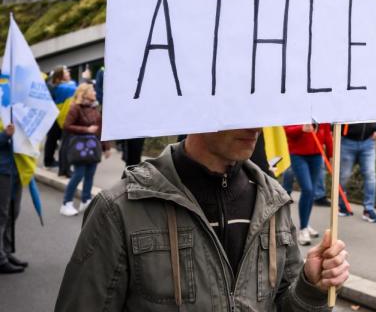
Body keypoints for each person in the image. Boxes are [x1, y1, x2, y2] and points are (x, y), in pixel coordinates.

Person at [56, 129, 350, 311]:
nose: (255, 126)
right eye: (238, 108)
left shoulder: (274, 203)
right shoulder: (119, 209)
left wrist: (311, 285)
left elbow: (285, 305)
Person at [59, 83, 110, 216]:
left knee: (90, 174)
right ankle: (66, 203)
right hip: (80, 147)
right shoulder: (75, 107)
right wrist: (86, 130)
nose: (94, 92)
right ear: (85, 93)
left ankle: (85, 201)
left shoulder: (94, 107)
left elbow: (100, 129)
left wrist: (106, 147)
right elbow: (66, 125)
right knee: (78, 174)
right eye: (92, 90)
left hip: (93, 146)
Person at [285, 123, 333, 245]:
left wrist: (331, 155)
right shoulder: (298, 109)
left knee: (311, 192)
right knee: (307, 189)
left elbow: (327, 134)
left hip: (317, 155)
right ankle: (303, 229)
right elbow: (287, 130)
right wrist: (301, 128)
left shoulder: (321, 111)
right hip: (298, 155)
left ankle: (305, 223)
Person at [338, 120, 376, 222]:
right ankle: (341, 204)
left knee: (370, 175)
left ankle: (369, 209)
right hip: (347, 142)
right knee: (344, 175)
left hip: (368, 142)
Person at [0, 121, 27, 274]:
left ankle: (6, 252)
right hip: (2, 170)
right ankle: (1, 259)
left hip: (17, 168)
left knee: (12, 213)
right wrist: (5, 135)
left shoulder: (14, 109)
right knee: (2, 215)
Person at [44, 66, 76, 169]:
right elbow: (77, 89)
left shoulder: (54, 86)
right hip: (58, 116)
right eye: (66, 72)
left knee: (52, 139)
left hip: (55, 115)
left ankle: (49, 160)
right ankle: (55, 163)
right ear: (60, 76)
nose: (68, 73)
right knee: (60, 140)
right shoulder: (63, 87)